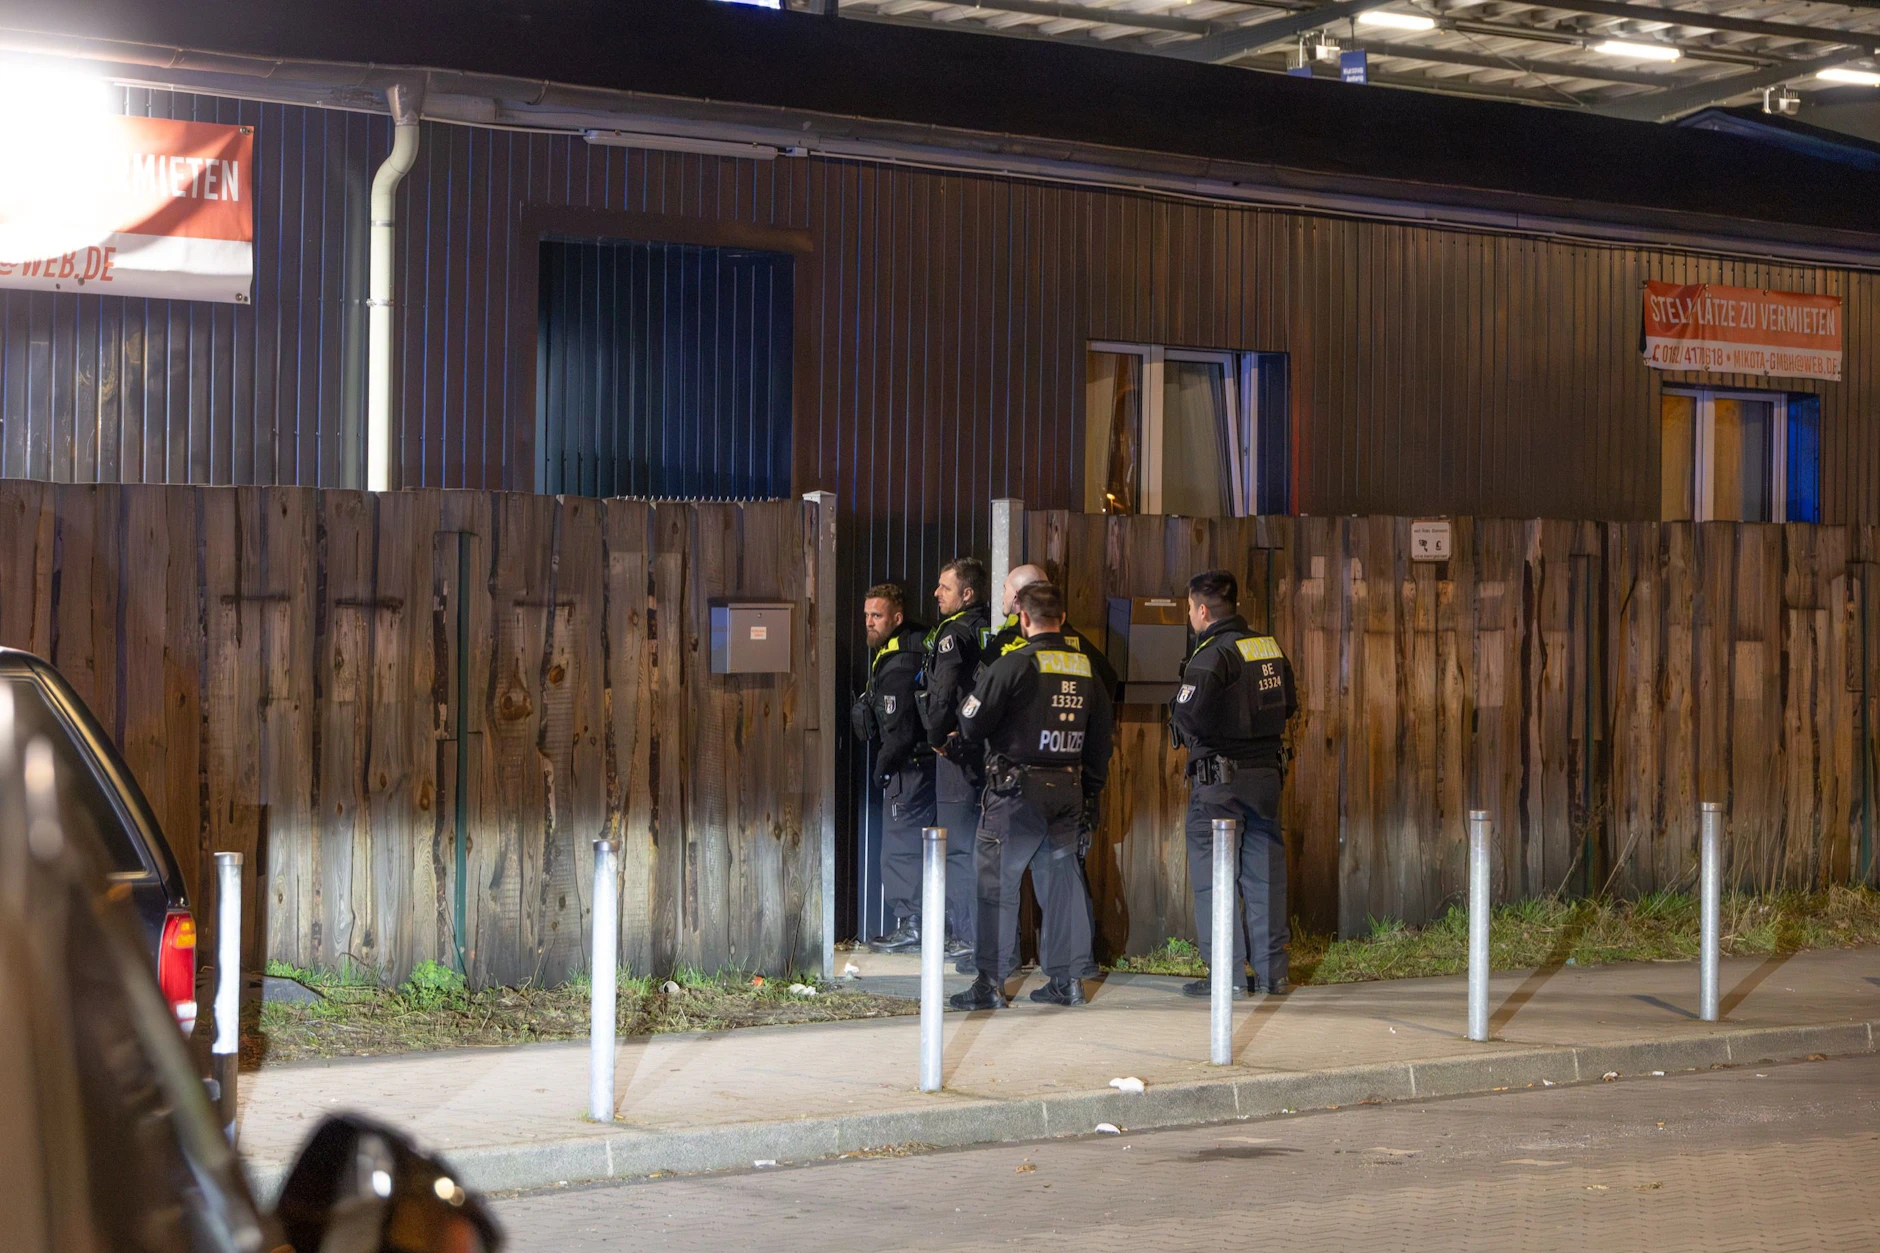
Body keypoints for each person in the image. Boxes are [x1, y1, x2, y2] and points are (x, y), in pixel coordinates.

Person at [948, 581, 1114, 1010]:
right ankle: (1068, 981)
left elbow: (971, 723)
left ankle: (990, 984)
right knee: (1062, 884)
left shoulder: (1014, 663)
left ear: (1023, 618)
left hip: (1014, 794)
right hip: (1068, 791)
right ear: (1060, 618)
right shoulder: (1084, 668)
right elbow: (1100, 741)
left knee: (996, 884)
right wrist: (1090, 792)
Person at [1170, 569, 1299, 999]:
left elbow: (1186, 714)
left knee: (1215, 879)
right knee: (1265, 877)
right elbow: (1290, 703)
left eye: (1189, 609)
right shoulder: (1268, 646)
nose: (1190, 616)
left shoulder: (1211, 653)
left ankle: (1226, 975)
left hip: (1219, 784)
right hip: (1265, 779)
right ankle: (1272, 974)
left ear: (1202, 610)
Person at [916, 557, 991, 965]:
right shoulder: (992, 632)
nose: (936, 594)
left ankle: (968, 937)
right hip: (988, 753)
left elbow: (943, 692)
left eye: (945, 588)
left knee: (960, 849)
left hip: (957, 753)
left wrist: (934, 737)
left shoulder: (953, 635)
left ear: (967, 594)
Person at [851, 583, 934, 953]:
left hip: (909, 768)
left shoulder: (900, 661)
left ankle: (913, 922)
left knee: (899, 846)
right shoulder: (916, 642)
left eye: (877, 615)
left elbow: (898, 728)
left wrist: (883, 769)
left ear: (896, 618)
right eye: (867, 614)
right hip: (932, 767)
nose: (869, 622)